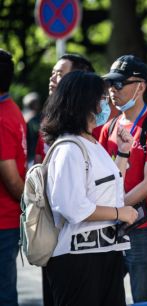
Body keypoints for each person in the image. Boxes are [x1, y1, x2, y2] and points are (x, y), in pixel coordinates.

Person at [41, 70, 138, 306]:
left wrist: (124, 152)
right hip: (78, 260)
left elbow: (109, 188)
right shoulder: (69, 148)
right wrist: (119, 213)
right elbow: (72, 207)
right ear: (84, 102)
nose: (106, 103)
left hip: (104, 253)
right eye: (101, 98)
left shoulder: (90, 142)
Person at [100, 55, 147, 303]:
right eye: (110, 84)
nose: (112, 90)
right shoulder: (109, 126)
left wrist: (115, 211)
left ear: (140, 86)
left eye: (118, 84)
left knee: (143, 297)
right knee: (105, 293)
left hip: (144, 228)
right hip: (111, 223)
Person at [35, 53, 104, 164]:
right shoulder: (49, 118)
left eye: (59, 74)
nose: (52, 78)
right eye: (52, 73)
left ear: (77, 80)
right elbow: (39, 159)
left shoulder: (93, 123)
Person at [0, 49, 27, 306]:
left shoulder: (1, 117)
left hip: (2, 221)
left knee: (3, 294)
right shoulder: (11, 109)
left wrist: (28, 205)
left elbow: (10, 177)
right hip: (7, 220)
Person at [22, 92, 42, 166]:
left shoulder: (21, 117)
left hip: (31, 155)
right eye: (34, 103)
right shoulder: (32, 119)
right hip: (30, 155)